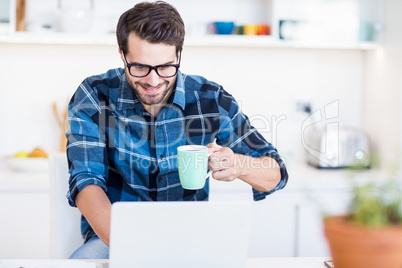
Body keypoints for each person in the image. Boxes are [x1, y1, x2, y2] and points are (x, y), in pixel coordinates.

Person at [66, 1, 288, 259]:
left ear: (179, 54)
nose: (153, 80)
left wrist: (238, 164)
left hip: (192, 235)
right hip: (115, 237)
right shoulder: (94, 95)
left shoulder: (211, 100)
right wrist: (137, 251)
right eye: (139, 67)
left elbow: (276, 173)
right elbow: (86, 183)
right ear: (121, 54)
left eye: (165, 67)